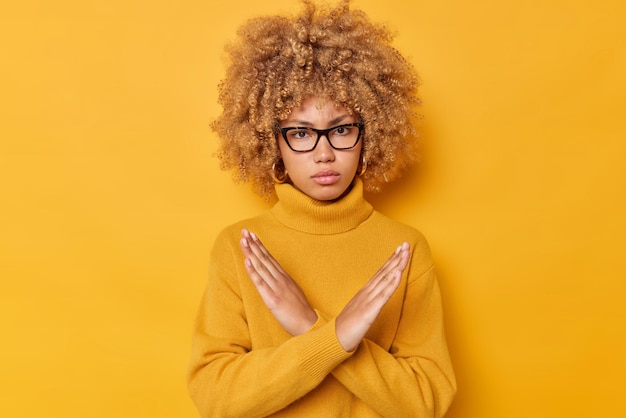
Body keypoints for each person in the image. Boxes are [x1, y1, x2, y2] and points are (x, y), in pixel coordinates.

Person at [187, 1, 456, 416]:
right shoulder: (240, 248)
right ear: (270, 140)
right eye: (300, 132)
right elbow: (215, 398)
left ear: (371, 132)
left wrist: (311, 328)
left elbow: (427, 402)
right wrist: (334, 337)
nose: (324, 152)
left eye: (342, 128)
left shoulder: (404, 249)